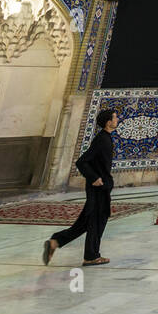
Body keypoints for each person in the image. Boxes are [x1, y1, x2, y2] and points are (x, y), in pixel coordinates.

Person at [44, 108, 117, 266]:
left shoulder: (106, 138)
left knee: (86, 221)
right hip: (98, 187)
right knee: (97, 220)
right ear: (108, 122)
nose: (117, 120)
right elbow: (81, 161)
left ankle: (55, 242)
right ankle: (91, 256)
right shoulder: (101, 139)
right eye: (115, 118)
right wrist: (94, 178)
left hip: (102, 186)